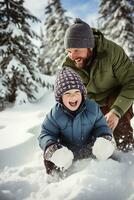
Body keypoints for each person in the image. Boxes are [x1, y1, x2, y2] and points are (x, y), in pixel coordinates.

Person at [63, 18, 134, 151]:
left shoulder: (112, 52)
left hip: (116, 98)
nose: (72, 56)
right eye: (69, 51)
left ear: (89, 46)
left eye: (77, 50)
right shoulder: (69, 66)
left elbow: (131, 81)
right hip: (92, 105)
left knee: (119, 127)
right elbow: (66, 98)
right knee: (86, 142)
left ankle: (126, 152)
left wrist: (117, 111)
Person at [38, 67, 114, 175]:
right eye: (67, 93)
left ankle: (109, 170)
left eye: (77, 92)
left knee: (105, 147)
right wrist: (52, 147)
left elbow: (101, 126)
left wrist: (104, 137)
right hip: (66, 152)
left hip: (90, 148)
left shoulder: (92, 108)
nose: (73, 96)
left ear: (82, 94)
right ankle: (55, 178)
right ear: (60, 98)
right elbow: (46, 133)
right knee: (49, 155)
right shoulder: (55, 114)